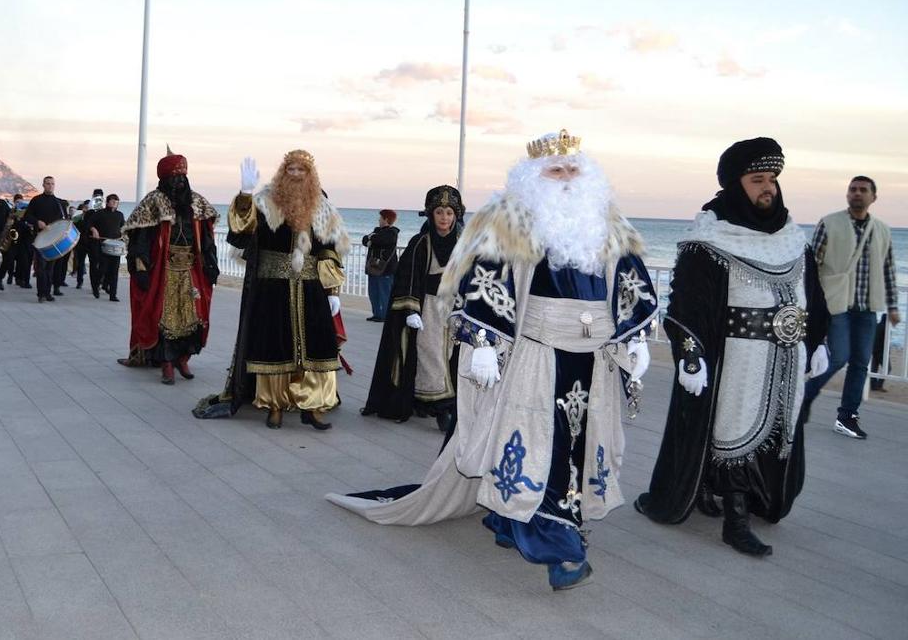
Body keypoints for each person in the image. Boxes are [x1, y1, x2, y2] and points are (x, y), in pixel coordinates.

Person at [327, 131, 656, 591]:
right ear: (534, 176)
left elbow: (632, 280)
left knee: (581, 444)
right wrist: (481, 339)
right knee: (536, 444)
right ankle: (558, 548)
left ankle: (514, 521)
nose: (565, 178)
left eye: (573, 169)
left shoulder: (607, 220)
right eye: (554, 170)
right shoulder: (507, 218)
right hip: (536, 351)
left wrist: (636, 337)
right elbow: (482, 279)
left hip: (595, 356)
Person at [636, 137, 829, 559]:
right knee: (733, 430)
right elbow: (687, 299)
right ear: (735, 183)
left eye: (773, 180)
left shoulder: (791, 237)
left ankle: (742, 495)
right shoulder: (711, 237)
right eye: (758, 179)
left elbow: (810, 292)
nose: (768, 189)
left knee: (778, 429)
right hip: (738, 356)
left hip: (788, 356)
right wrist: (690, 353)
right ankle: (735, 521)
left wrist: (818, 340)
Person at [220, 150, 350, 429]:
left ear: (310, 174)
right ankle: (274, 405)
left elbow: (330, 247)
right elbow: (242, 229)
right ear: (283, 172)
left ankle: (313, 406)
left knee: (316, 345)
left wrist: (333, 290)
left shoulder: (321, 205)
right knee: (274, 346)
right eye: (291, 169)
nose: (296, 175)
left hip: (311, 287)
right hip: (272, 287)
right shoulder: (266, 202)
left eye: (302, 170)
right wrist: (245, 193)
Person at [802, 175, 899, 439]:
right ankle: (804, 396)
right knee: (839, 356)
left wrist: (893, 305)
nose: (857, 193)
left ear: (873, 197)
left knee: (860, 364)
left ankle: (847, 417)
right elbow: (813, 264)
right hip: (837, 304)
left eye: (863, 190)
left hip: (868, 307)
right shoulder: (829, 223)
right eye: (852, 189)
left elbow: (889, 268)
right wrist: (811, 300)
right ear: (847, 194)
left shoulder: (882, 229)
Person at [360, 187, 464, 430]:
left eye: (449, 212)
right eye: (439, 212)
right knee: (432, 357)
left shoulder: (464, 244)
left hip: (455, 309)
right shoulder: (421, 243)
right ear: (431, 214)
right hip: (428, 307)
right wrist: (411, 310)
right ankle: (441, 407)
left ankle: (445, 403)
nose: (444, 218)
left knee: (451, 358)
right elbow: (407, 277)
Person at [118, 151, 220, 384]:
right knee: (163, 317)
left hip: (191, 269)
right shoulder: (154, 201)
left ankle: (183, 358)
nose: (180, 181)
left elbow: (206, 237)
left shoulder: (196, 202)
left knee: (193, 316)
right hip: (163, 269)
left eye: (183, 176)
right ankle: (166, 362)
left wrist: (210, 263)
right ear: (164, 179)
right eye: (175, 177)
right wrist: (141, 267)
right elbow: (140, 237)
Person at [25, 176, 71, 303]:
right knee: (40, 268)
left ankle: (48, 292)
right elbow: (27, 216)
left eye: (52, 184)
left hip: (54, 240)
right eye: (47, 183)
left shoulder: (59, 203)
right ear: (43, 185)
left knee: (50, 269)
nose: (50, 186)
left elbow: (64, 221)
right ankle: (41, 294)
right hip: (40, 238)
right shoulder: (36, 200)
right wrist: (37, 222)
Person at [87, 193, 127, 301]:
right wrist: (93, 230)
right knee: (102, 269)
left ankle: (113, 295)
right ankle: (96, 286)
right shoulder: (100, 213)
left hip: (116, 246)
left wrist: (124, 236)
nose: (115, 203)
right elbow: (89, 223)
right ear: (108, 202)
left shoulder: (120, 215)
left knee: (114, 271)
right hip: (103, 245)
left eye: (117, 202)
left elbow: (123, 228)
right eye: (113, 201)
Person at [362, 210, 400, 322]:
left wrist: (371, 239)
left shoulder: (392, 232)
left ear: (386, 219)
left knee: (385, 292)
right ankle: (377, 314)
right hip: (374, 267)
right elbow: (365, 240)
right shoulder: (377, 231)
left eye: (381, 218)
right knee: (373, 292)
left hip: (386, 268)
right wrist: (371, 239)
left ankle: (384, 315)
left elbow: (382, 240)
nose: (379, 220)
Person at [71, 200, 92, 288]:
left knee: (94, 264)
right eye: (85, 207)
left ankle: (95, 283)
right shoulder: (78, 217)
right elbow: (73, 225)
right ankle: (79, 281)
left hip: (91, 243)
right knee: (80, 263)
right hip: (80, 242)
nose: (86, 209)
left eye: (87, 208)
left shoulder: (92, 217)